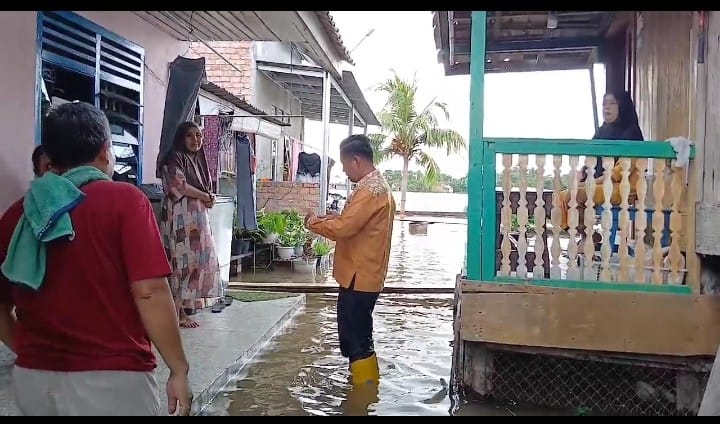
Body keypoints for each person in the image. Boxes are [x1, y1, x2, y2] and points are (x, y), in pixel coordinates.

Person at [0, 102, 192, 416]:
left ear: (49, 156)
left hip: (33, 382)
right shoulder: (125, 201)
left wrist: (28, 352)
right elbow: (150, 291)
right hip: (112, 381)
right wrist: (178, 368)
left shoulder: (20, 214)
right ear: (105, 151)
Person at [304, 134, 395, 387]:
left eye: (344, 165)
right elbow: (353, 222)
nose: (344, 171)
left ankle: (365, 391)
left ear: (356, 160)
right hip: (362, 274)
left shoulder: (370, 190)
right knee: (356, 336)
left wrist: (312, 222)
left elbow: (344, 229)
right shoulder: (375, 186)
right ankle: (362, 392)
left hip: (360, 275)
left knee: (357, 340)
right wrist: (334, 218)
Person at [158, 121, 223, 328]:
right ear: (181, 137)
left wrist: (208, 198)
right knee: (181, 264)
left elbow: (203, 189)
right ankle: (176, 314)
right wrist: (204, 196)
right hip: (181, 219)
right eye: (190, 135)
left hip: (196, 221)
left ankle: (182, 311)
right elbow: (179, 186)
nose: (196, 140)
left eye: (199, 135)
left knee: (196, 263)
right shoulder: (174, 158)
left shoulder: (197, 160)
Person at [558, 91, 644, 237]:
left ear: (622, 106)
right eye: (604, 104)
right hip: (602, 184)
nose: (606, 107)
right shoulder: (602, 132)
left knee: (575, 194)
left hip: (622, 187)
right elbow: (591, 161)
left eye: (612, 103)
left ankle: (587, 236)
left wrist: (589, 182)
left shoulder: (632, 134)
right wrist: (582, 174)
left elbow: (617, 173)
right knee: (560, 196)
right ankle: (587, 235)